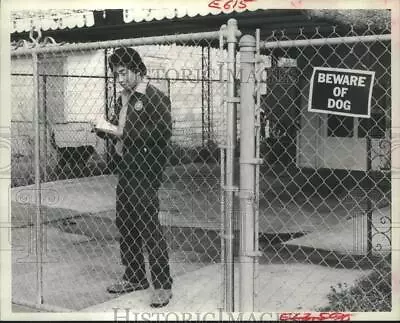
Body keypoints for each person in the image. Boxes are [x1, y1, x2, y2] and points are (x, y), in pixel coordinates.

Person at [93, 47, 173, 308]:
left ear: (138, 69)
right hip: (126, 169)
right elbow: (120, 130)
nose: (120, 79)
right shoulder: (123, 98)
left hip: (145, 171)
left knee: (148, 226)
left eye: (124, 73)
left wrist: (119, 131)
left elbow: (161, 132)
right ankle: (135, 275)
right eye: (117, 75)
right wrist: (105, 130)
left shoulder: (154, 97)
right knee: (125, 223)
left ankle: (162, 285)